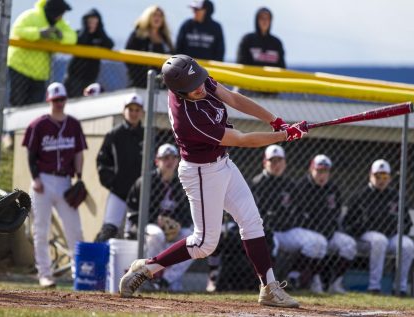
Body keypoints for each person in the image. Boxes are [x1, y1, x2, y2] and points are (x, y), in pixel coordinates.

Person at [119, 54, 308, 308]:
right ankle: (148, 267)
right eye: (193, 87)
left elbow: (232, 98)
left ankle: (269, 288)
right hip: (201, 172)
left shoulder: (196, 79)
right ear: (179, 91)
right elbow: (241, 139)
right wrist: (284, 136)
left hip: (222, 163)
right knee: (203, 244)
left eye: (199, 80)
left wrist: (275, 121)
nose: (200, 87)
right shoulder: (189, 118)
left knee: (252, 221)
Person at [22, 82, 87, 287]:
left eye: (62, 99)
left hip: (65, 181)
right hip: (43, 179)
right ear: (49, 100)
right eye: (55, 100)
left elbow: (78, 152)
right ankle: (45, 274)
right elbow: (31, 155)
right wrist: (35, 178)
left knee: (74, 229)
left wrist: (79, 177)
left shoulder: (74, 124)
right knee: (41, 229)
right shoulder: (38, 125)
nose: (59, 103)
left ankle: (79, 273)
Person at [125, 143, 193, 292]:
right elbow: (133, 210)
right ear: (157, 161)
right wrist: (156, 220)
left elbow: (187, 214)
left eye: (173, 158)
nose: (169, 161)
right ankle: (146, 276)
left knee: (193, 240)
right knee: (157, 235)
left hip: (170, 230)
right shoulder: (146, 181)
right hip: (146, 225)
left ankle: (164, 281)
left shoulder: (180, 184)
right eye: (165, 158)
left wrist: (179, 224)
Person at [344, 159, 414, 296]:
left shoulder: (396, 196)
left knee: (408, 245)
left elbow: (407, 222)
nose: (381, 180)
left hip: (390, 237)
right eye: (377, 176)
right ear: (370, 175)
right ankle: (374, 286)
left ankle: (400, 288)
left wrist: (396, 229)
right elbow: (349, 222)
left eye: (385, 176)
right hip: (365, 239)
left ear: (389, 178)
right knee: (379, 240)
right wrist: (362, 226)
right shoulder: (361, 195)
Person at [288, 154, 357, 294]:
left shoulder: (333, 189)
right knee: (318, 243)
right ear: (311, 170)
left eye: (325, 171)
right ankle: (311, 279)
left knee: (349, 244)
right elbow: (298, 214)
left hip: (328, 232)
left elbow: (336, 213)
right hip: (306, 231)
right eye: (319, 171)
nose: (322, 175)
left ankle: (334, 282)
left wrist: (329, 229)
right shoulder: (301, 187)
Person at [94, 93, 144, 242]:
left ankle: (130, 266)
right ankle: (97, 262)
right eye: (130, 109)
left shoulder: (147, 134)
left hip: (140, 195)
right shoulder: (114, 134)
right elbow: (102, 161)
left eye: (137, 110)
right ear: (124, 111)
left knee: (134, 234)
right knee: (108, 230)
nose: (134, 113)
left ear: (142, 112)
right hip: (119, 193)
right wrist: (113, 183)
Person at [7, 0, 76, 106]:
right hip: (20, 67)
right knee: (17, 103)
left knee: (35, 106)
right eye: (60, 14)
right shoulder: (30, 15)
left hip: (40, 73)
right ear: (53, 12)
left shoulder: (58, 23)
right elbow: (17, 31)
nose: (61, 18)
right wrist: (39, 33)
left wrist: (61, 35)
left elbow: (73, 37)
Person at [64, 8, 114, 98]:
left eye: (95, 23)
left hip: (90, 77)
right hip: (75, 77)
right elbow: (80, 41)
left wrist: (101, 30)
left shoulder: (100, 36)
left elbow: (110, 44)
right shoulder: (79, 33)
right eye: (90, 22)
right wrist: (86, 30)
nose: (92, 25)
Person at [125, 5, 174, 88]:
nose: (157, 18)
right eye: (154, 15)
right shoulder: (138, 35)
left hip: (161, 84)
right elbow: (127, 57)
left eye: (160, 16)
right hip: (140, 83)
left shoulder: (165, 38)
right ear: (147, 17)